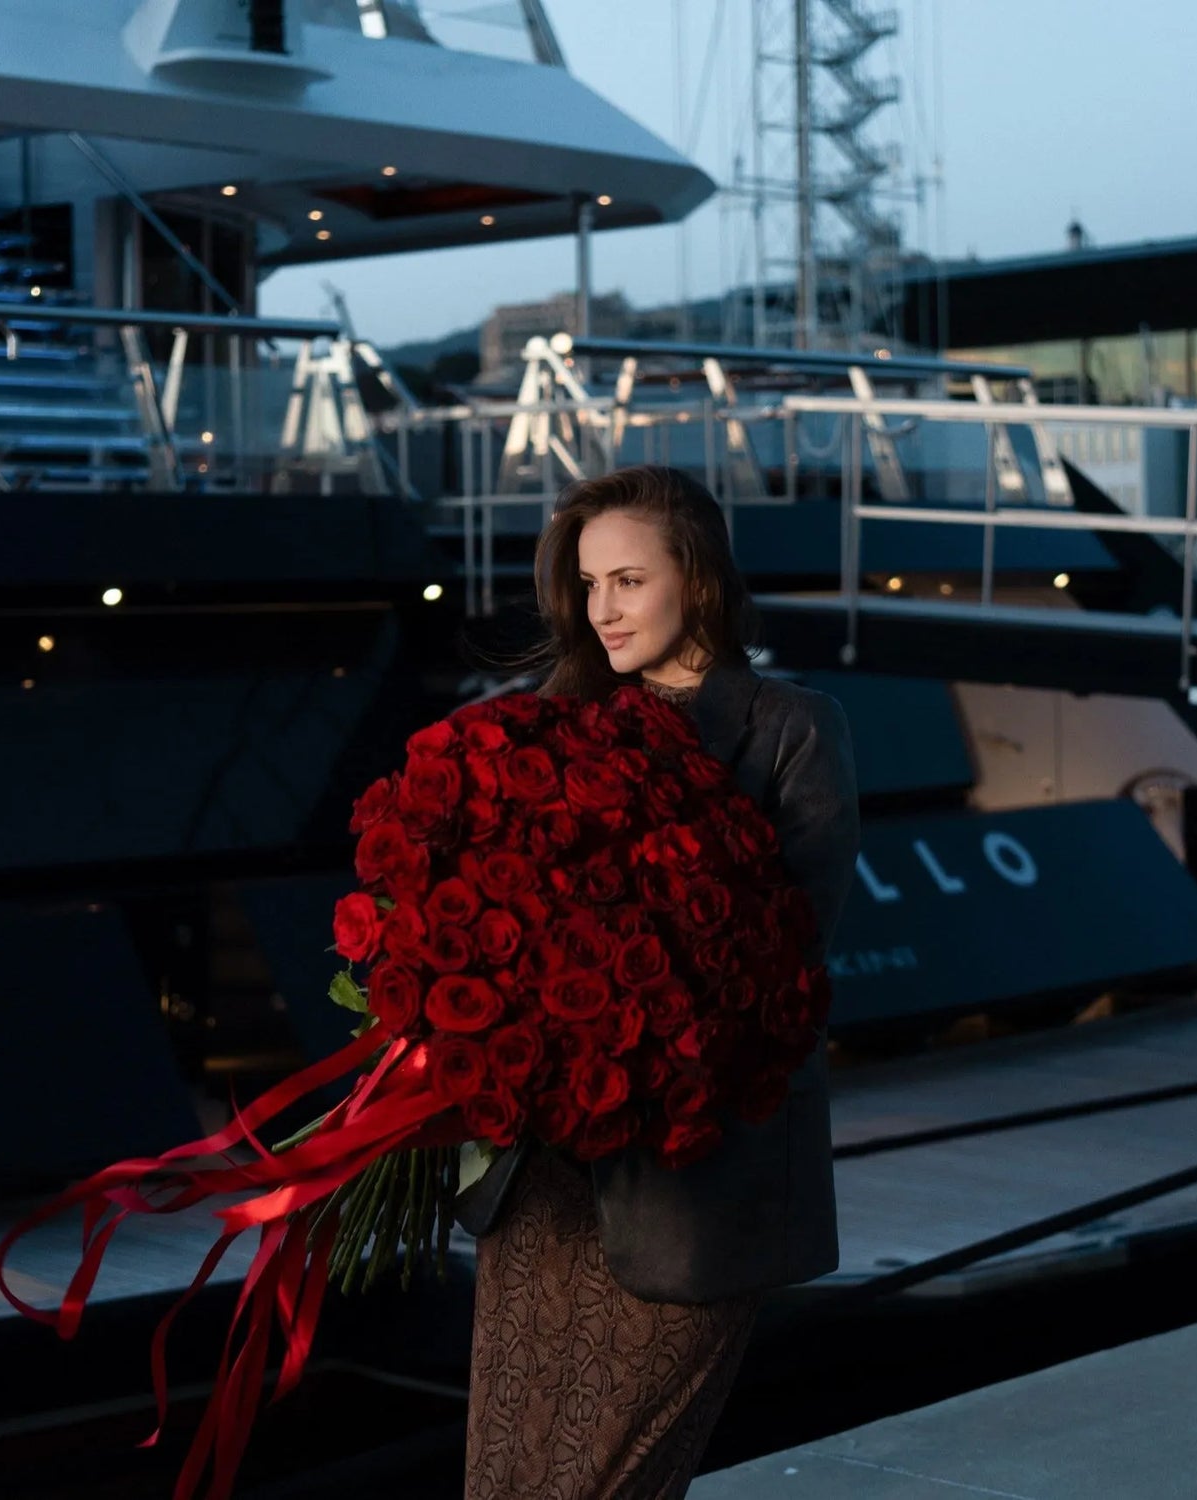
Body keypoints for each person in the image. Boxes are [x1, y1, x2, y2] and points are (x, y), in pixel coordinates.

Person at [457, 465, 860, 1500]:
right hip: (546, 1176)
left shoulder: (790, 726)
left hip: (693, 1174)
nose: (602, 612)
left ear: (700, 578)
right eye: (588, 587)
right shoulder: (550, 722)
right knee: (509, 1472)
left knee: (612, 1477)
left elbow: (790, 955)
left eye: (628, 580)